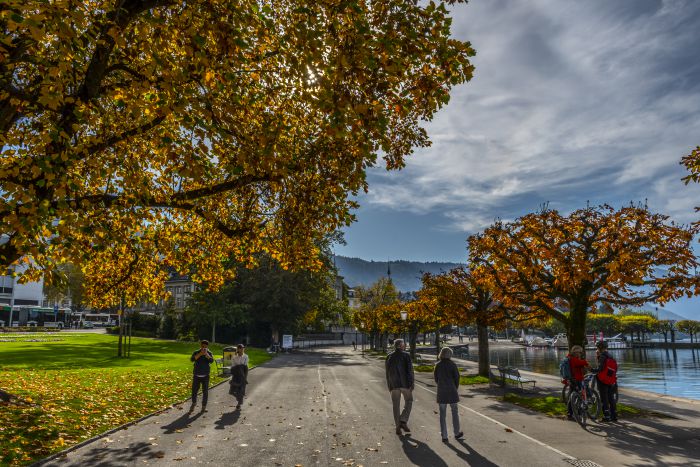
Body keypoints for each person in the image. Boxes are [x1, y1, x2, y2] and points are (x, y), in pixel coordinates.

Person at [434, 347, 464, 443]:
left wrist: (441, 384)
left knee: (442, 414)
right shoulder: (453, 365)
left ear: (441, 354)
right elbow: (457, 377)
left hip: (441, 391)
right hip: (452, 391)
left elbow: (436, 379)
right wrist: (455, 387)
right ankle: (456, 432)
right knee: (454, 412)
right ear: (450, 355)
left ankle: (444, 436)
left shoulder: (437, 365)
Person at [385, 339, 414, 435]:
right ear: (401, 345)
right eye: (404, 344)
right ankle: (403, 420)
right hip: (405, 384)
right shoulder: (406, 355)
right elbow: (409, 371)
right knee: (409, 401)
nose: (405, 346)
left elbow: (387, 373)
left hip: (393, 384)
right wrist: (411, 383)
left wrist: (389, 385)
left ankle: (398, 426)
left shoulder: (389, 356)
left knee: (395, 406)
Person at [594, 341, 618, 422]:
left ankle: (606, 416)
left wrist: (591, 369)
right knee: (611, 398)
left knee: (604, 398)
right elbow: (615, 368)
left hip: (602, 380)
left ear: (599, 348)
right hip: (611, 379)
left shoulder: (602, 356)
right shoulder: (610, 355)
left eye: (597, 347)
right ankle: (614, 415)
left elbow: (600, 369)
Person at [566, 345, 590, 419]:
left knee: (572, 395)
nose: (580, 354)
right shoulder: (573, 359)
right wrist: (586, 363)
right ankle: (578, 413)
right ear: (575, 352)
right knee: (580, 396)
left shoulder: (569, 358)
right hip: (577, 379)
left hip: (572, 379)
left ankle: (570, 414)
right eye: (579, 352)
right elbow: (580, 363)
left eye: (580, 352)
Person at [190, 340, 214, 412]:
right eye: (202, 346)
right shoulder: (196, 352)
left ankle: (203, 407)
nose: (204, 348)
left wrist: (206, 355)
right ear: (200, 346)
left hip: (205, 376)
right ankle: (194, 403)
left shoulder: (209, 353)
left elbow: (211, 361)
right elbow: (192, 359)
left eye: (205, 347)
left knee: (205, 392)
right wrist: (200, 354)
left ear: (207, 347)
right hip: (196, 375)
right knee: (194, 391)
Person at [229, 344, 249, 409]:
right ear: (237, 349)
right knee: (231, 392)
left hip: (243, 374)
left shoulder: (246, 356)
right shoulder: (234, 357)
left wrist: (244, 376)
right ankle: (239, 399)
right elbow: (233, 367)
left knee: (241, 390)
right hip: (236, 374)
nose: (242, 350)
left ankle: (239, 403)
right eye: (240, 348)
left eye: (243, 348)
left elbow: (245, 367)